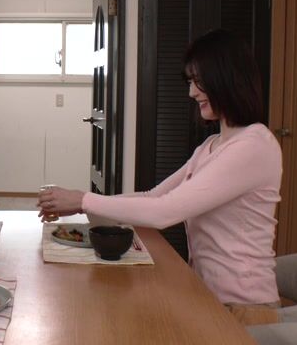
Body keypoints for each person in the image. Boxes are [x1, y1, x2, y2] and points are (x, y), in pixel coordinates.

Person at [38, 29, 282, 322]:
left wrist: (83, 200)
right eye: (190, 82)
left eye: (199, 81)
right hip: (208, 297)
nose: (192, 93)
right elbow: (153, 196)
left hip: (243, 309)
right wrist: (80, 204)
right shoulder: (211, 145)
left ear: (225, 77)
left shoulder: (254, 146)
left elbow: (164, 211)